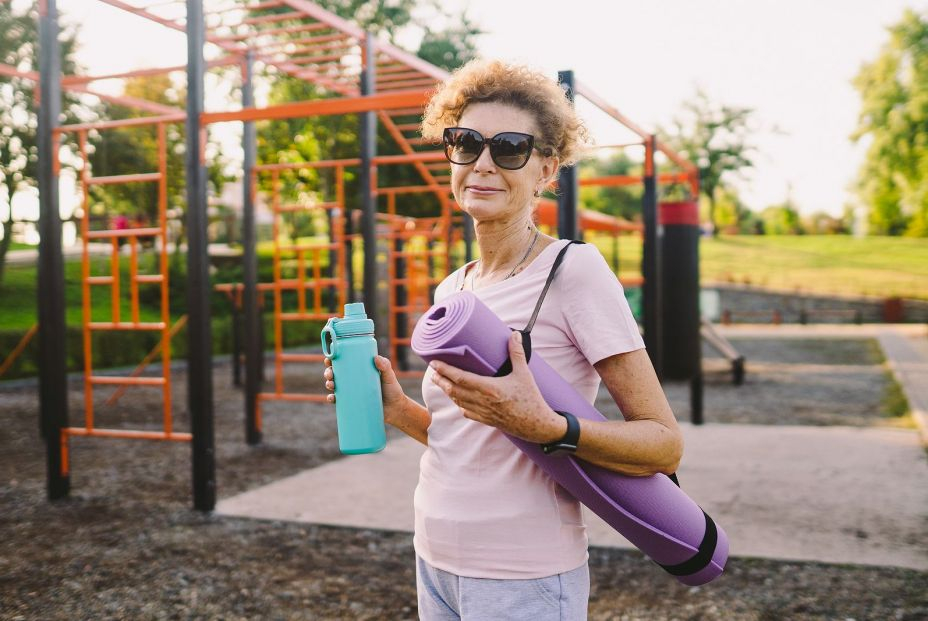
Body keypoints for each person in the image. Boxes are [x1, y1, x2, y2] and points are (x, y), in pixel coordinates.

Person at [323, 59, 683, 621]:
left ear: (546, 169)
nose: (483, 164)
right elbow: (464, 441)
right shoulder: (453, 287)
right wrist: (397, 410)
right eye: (466, 143)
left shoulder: (574, 271)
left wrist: (551, 427)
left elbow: (663, 445)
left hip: (525, 576)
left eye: (510, 148)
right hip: (434, 556)